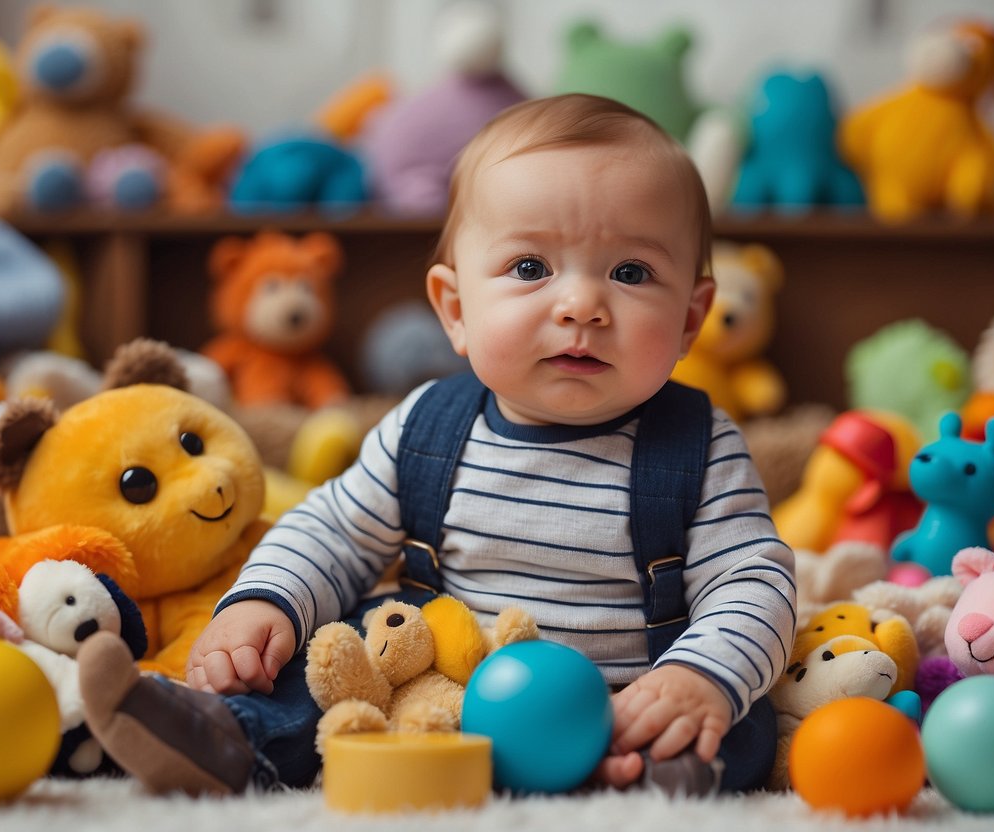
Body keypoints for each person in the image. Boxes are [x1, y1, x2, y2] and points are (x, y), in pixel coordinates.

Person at [76, 93, 797, 797]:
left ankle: (662, 767)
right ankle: (227, 734)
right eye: (529, 268)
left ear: (690, 319)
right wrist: (264, 604)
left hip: (628, 694)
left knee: (738, 718)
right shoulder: (429, 426)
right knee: (326, 660)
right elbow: (334, 533)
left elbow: (752, 583)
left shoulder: (700, 448)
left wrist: (700, 677)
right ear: (455, 309)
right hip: (438, 689)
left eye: (630, 273)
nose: (580, 305)